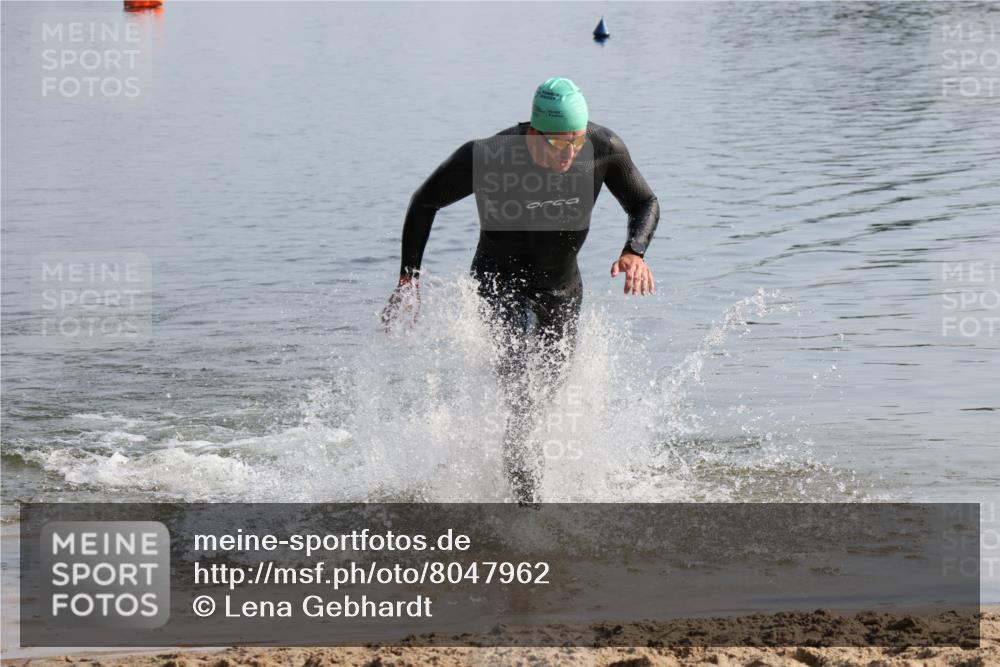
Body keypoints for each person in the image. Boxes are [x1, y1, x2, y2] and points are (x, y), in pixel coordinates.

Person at [382, 77, 659, 502]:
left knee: (545, 393)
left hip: (560, 288)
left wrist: (634, 251)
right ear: (533, 132)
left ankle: (502, 475)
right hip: (498, 285)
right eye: (559, 143)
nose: (570, 153)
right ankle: (527, 508)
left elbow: (644, 202)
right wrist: (408, 279)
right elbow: (424, 201)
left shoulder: (604, 147)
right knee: (520, 397)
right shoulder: (488, 156)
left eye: (576, 140)